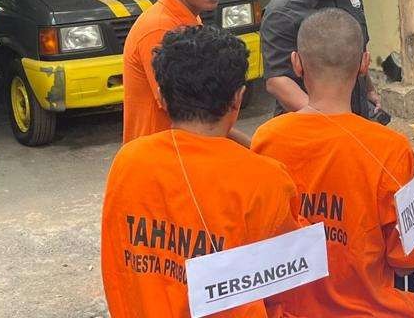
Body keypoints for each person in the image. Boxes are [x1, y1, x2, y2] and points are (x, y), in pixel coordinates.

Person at [252, 9, 414, 318]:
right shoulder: (389, 148)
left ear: (296, 63)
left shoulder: (267, 139)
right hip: (370, 310)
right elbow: (405, 259)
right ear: (365, 64)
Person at [102, 25, 304, 318]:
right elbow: (290, 278)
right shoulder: (265, 178)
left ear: (161, 96)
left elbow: (119, 265)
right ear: (238, 98)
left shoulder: (128, 163)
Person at [122, 0, 243, 143]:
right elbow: (196, 116)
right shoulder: (160, 28)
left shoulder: (188, 18)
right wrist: (255, 148)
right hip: (164, 162)